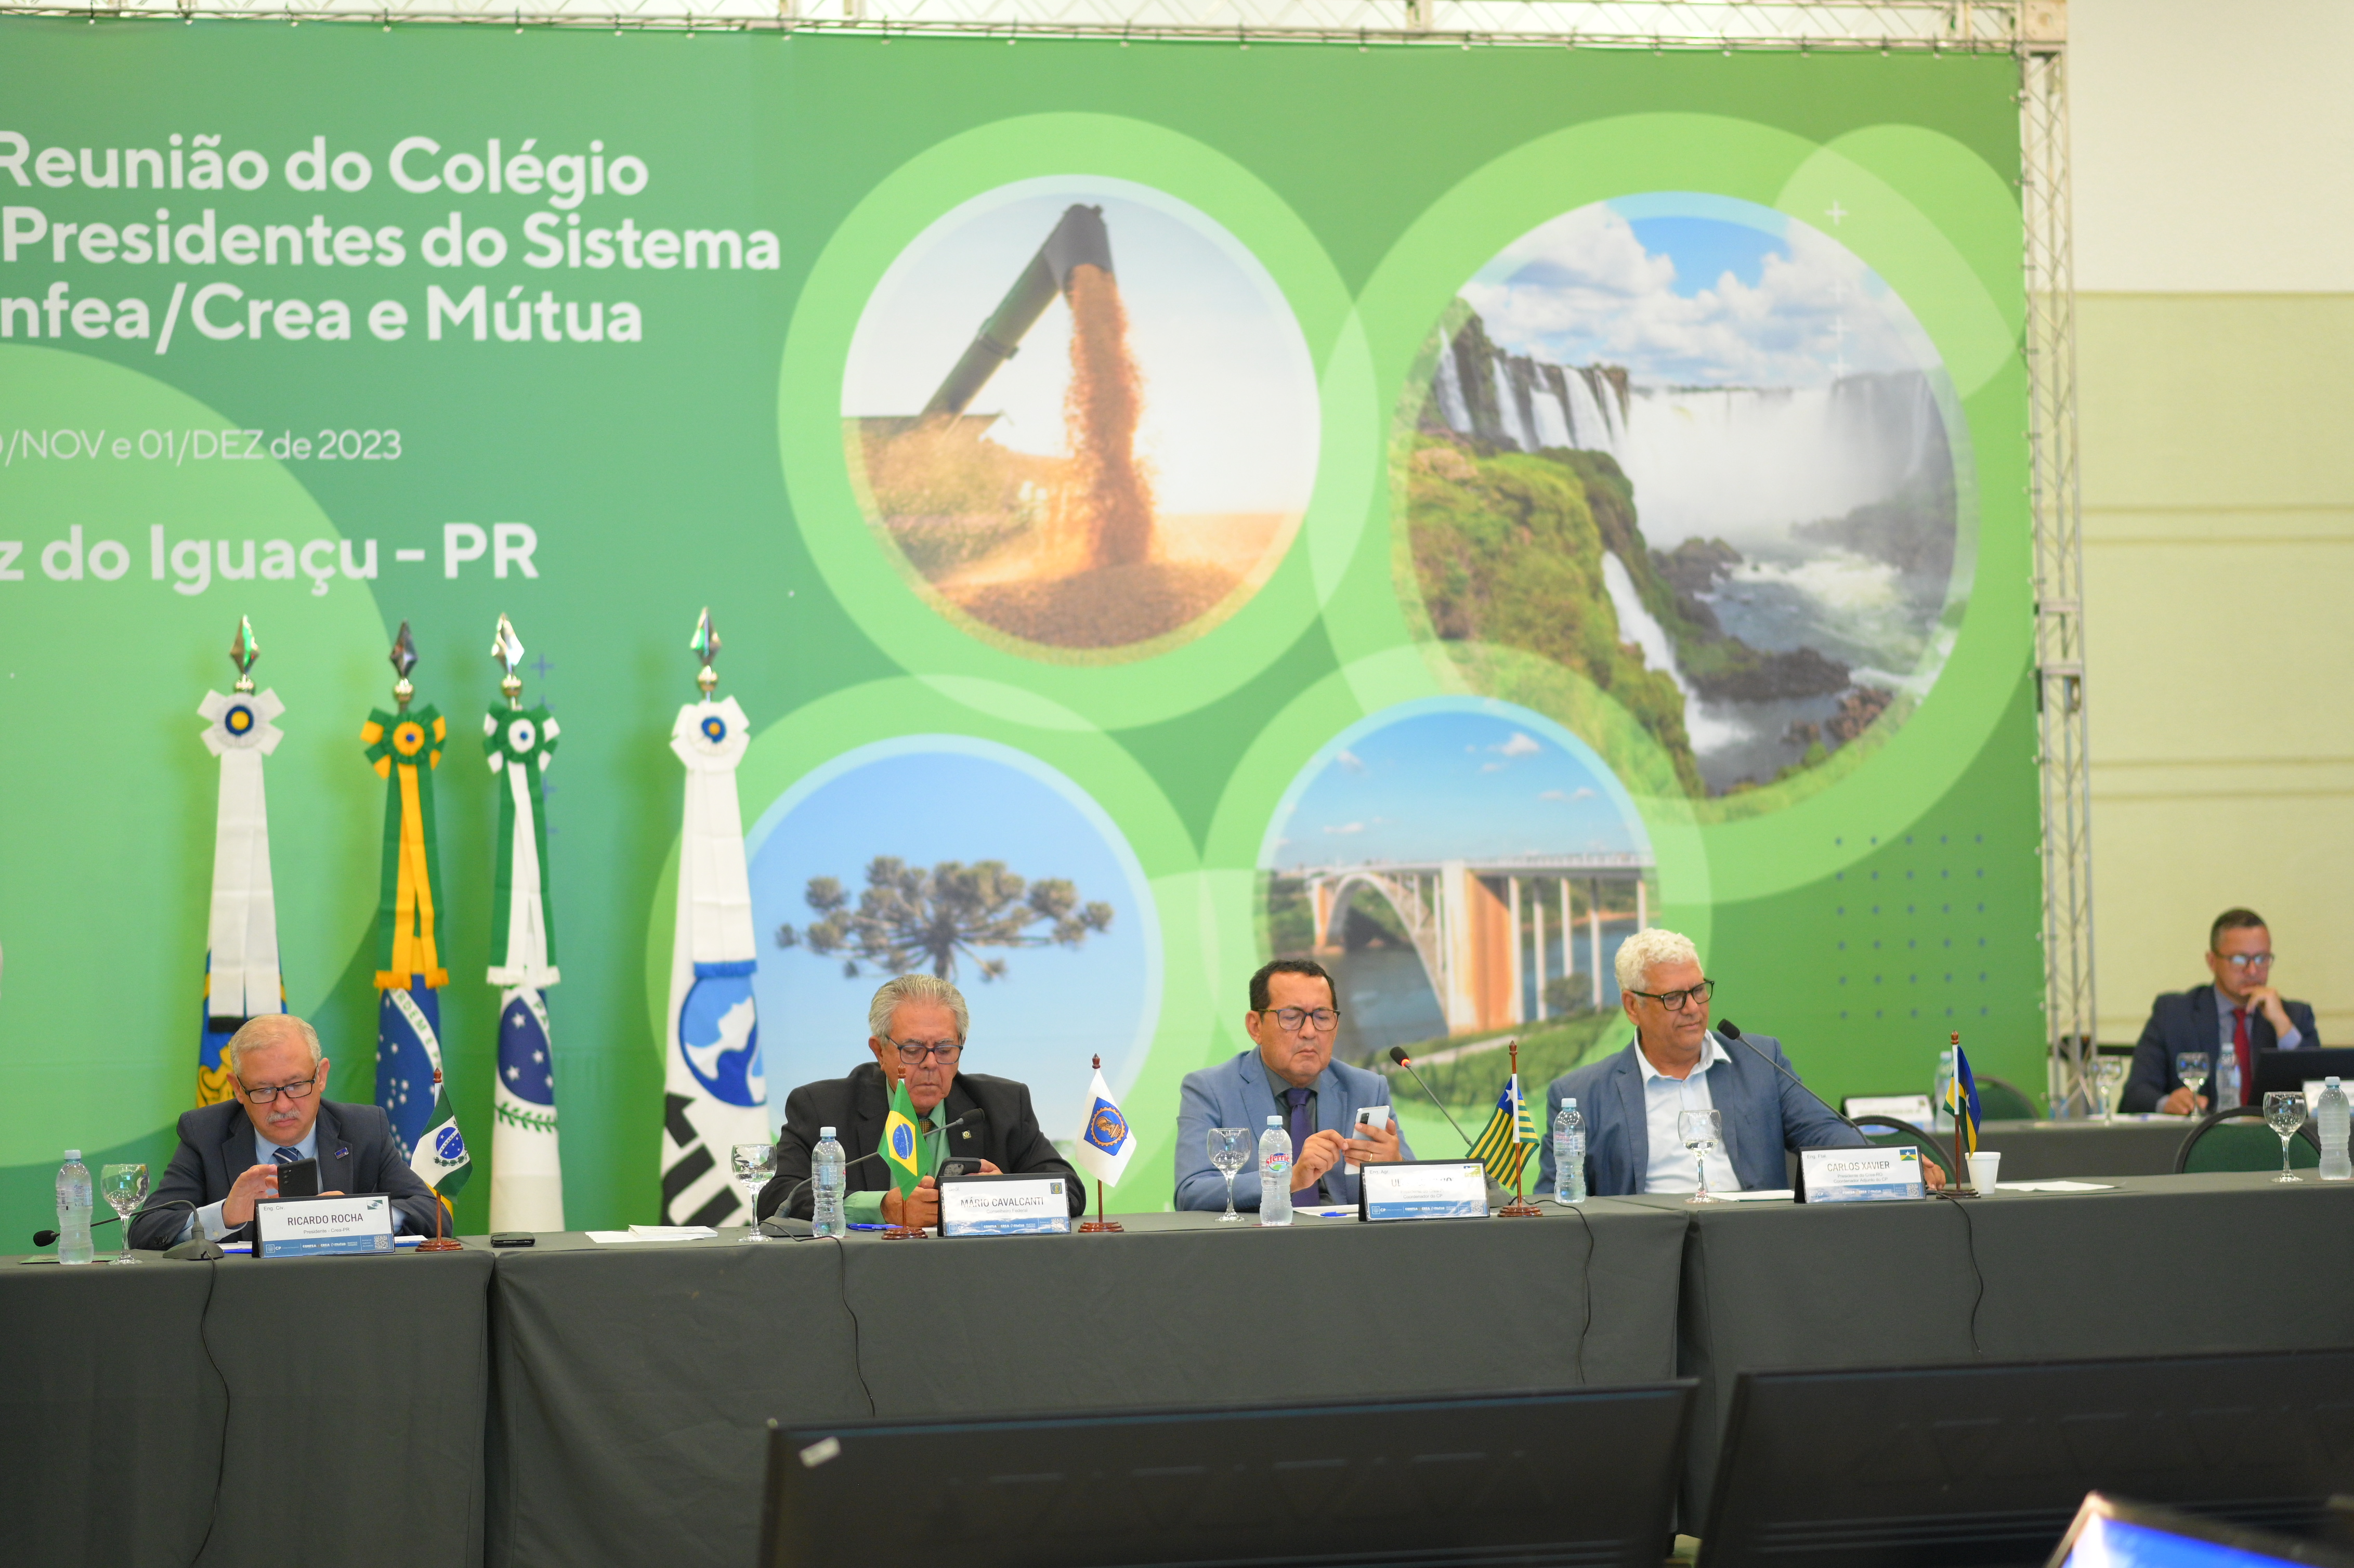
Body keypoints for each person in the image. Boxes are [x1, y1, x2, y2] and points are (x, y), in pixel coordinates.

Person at [1536, 928, 1887, 1197]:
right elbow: (1555, 1203)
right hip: (1649, 1255)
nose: (1693, 1008)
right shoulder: (1583, 1096)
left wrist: (1885, 1166)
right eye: (1674, 998)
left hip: (1756, 1246)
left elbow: (1825, 1133)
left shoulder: (1760, 1061)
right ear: (1633, 1007)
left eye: (1699, 991)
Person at [757, 973, 1083, 1227]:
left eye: (945, 1050)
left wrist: (1003, 1196)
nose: (930, 1064)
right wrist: (880, 1208)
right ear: (879, 1051)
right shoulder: (821, 1107)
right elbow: (777, 1199)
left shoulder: (1002, 1105)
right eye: (912, 1051)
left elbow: (1068, 1189)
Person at [131, 1014, 444, 1249]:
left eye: (296, 1085)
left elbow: (434, 1214)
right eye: (264, 1090)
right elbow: (146, 1230)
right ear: (237, 1089)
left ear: (321, 1077)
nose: (282, 1106)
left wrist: (355, 1216)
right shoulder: (205, 1133)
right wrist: (225, 1216)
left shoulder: (363, 1129)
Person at [1173, 958, 1412, 1211]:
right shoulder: (1210, 1090)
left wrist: (1396, 1166)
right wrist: (1286, 1179)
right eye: (1291, 1017)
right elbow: (1192, 1193)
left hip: (1346, 1235)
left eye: (1322, 1017)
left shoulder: (1367, 1089)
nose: (1310, 1032)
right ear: (1256, 1027)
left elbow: (1419, 1191)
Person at [2120, 908, 2320, 1115]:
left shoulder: (2294, 1016)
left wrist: (2282, 1024)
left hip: (2271, 1134)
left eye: (2262, 959)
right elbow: (2135, 1094)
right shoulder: (2174, 1014)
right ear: (2212, 961)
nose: (2252, 971)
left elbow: (2319, 1094)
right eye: (2240, 959)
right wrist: (2167, 1103)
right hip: (2200, 1134)